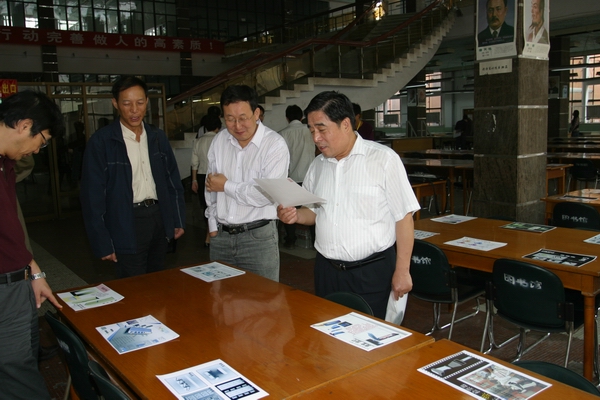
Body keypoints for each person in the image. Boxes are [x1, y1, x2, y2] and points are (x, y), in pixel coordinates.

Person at [277, 91, 420, 318]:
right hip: (327, 271)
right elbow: (314, 212)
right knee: (328, 332)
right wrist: (295, 216)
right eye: (312, 130)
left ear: (345, 124)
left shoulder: (383, 159)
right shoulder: (317, 165)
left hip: (371, 272)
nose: (316, 138)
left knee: (371, 335)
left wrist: (403, 271)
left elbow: (403, 218)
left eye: (322, 129)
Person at [80, 76, 185, 278]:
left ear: (147, 102)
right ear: (115, 103)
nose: (134, 110)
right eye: (127, 103)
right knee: (133, 284)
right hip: (125, 221)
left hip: (158, 217)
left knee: (157, 280)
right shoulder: (102, 142)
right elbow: (92, 197)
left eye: (139, 103)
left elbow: (172, 181)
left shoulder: (157, 137)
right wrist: (102, 241)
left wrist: (177, 219)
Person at [0, 90, 65, 400]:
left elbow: (10, 227)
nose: (38, 150)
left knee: (24, 359)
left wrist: (34, 272)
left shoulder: (6, 162)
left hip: (18, 281)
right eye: (42, 141)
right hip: (3, 288)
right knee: (16, 373)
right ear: (25, 125)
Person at [205, 85, 289, 281]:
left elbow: (266, 194)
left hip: (258, 239)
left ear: (257, 113)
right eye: (230, 119)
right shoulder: (219, 141)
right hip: (222, 237)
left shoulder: (274, 145)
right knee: (221, 296)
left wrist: (226, 186)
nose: (237, 126)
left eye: (243, 118)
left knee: (263, 297)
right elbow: (210, 186)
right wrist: (212, 225)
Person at [278, 105, 315, 248]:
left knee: (290, 211)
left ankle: (290, 240)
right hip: (310, 176)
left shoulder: (282, 134)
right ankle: (315, 241)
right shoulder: (310, 130)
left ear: (287, 118)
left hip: (291, 178)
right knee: (311, 209)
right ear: (302, 117)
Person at [191, 114, 222, 247]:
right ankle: (212, 234)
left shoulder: (198, 141)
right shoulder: (219, 140)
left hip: (201, 176)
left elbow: (194, 163)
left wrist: (194, 181)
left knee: (206, 206)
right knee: (218, 204)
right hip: (216, 176)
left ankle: (209, 233)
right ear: (218, 127)